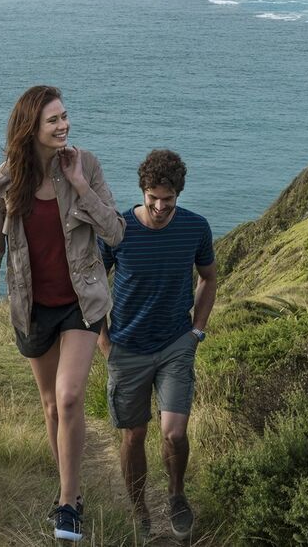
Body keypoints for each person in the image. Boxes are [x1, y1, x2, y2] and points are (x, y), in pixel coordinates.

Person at [0, 85, 125, 542]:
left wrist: (79, 184)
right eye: (54, 120)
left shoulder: (87, 164)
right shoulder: (3, 183)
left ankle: (66, 504)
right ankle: (70, 492)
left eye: (65, 116)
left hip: (83, 302)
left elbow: (115, 232)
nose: (64, 126)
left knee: (71, 396)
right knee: (51, 405)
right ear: (30, 129)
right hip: (32, 307)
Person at [98, 149, 218, 540]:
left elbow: (208, 278)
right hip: (126, 347)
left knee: (174, 433)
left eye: (168, 198)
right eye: (153, 197)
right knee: (133, 435)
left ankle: (177, 495)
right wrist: (102, 340)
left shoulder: (195, 228)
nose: (161, 205)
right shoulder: (118, 230)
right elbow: (92, 285)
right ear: (142, 191)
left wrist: (196, 329)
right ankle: (139, 510)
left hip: (174, 345)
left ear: (178, 194)